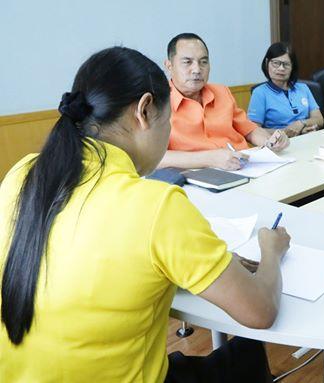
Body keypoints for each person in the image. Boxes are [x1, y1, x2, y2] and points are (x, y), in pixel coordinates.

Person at [0, 47, 291, 382]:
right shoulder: (156, 205)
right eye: (168, 122)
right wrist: (271, 249)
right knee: (246, 354)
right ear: (144, 110)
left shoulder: (21, 173)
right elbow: (260, 311)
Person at [159, 33, 288, 171]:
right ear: (169, 66)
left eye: (203, 62)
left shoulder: (222, 92)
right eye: (187, 62)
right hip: (199, 174)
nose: (197, 70)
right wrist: (210, 159)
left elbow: (249, 129)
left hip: (244, 167)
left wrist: (270, 141)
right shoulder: (157, 104)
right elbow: (155, 158)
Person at [248, 42, 324, 136]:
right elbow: (253, 130)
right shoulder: (260, 93)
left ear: (292, 66)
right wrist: (286, 132)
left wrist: (301, 124)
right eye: (276, 63)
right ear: (267, 63)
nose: (281, 68)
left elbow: (319, 119)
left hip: (306, 138)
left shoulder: (303, 88)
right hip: (278, 142)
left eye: (286, 64)